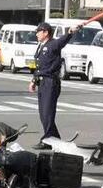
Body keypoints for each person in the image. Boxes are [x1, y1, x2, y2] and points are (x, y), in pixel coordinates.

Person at [28, 22, 81, 150]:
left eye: (38, 31)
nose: (36, 34)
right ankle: (55, 139)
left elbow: (63, 40)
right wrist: (33, 80)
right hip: (42, 82)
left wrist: (71, 31)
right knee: (43, 114)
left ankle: (47, 140)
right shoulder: (41, 46)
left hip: (51, 82)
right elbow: (38, 66)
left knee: (48, 114)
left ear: (45, 32)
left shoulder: (53, 44)